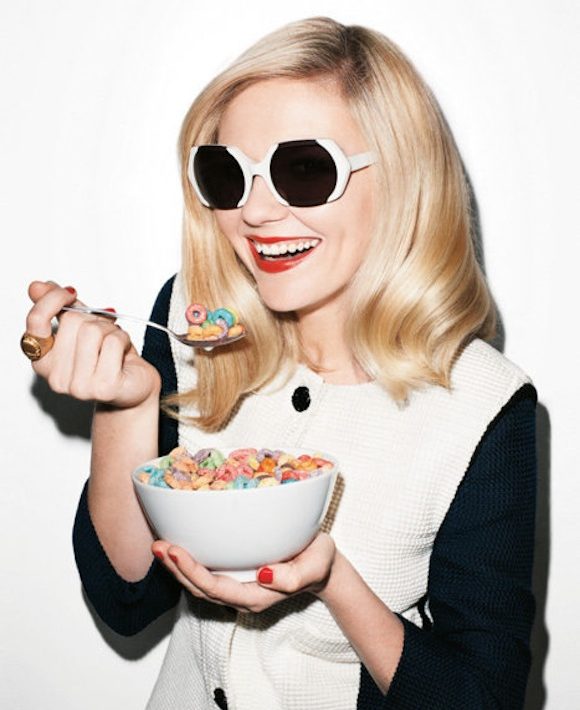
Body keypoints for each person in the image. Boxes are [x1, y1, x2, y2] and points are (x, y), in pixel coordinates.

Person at [21, 16, 537, 710]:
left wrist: (332, 582)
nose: (256, 212)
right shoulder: (189, 321)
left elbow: (481, 697)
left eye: (304, 169)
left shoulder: (482, 406)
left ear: (401, 178)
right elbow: (126, 598)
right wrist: (126, 406)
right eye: (228, 174)